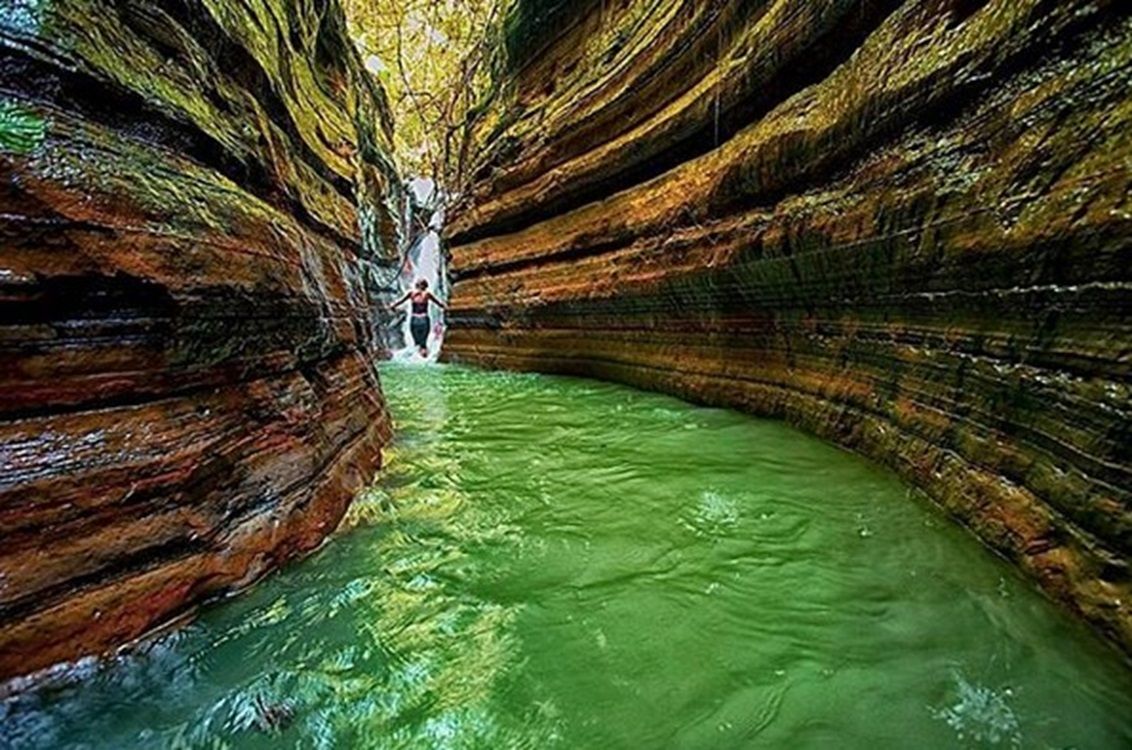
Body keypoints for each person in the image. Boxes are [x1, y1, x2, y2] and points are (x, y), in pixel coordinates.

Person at [389, 279, 447, 357]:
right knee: (423, 343)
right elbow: (439, 304)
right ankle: (424, 356)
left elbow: (400, 301)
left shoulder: (412, 293)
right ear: (425, 286)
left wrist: (393, 306)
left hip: (415, 320)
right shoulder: (427, 294)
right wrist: (445, 307)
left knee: (417, 343)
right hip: (424, 320)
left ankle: (419, 356)